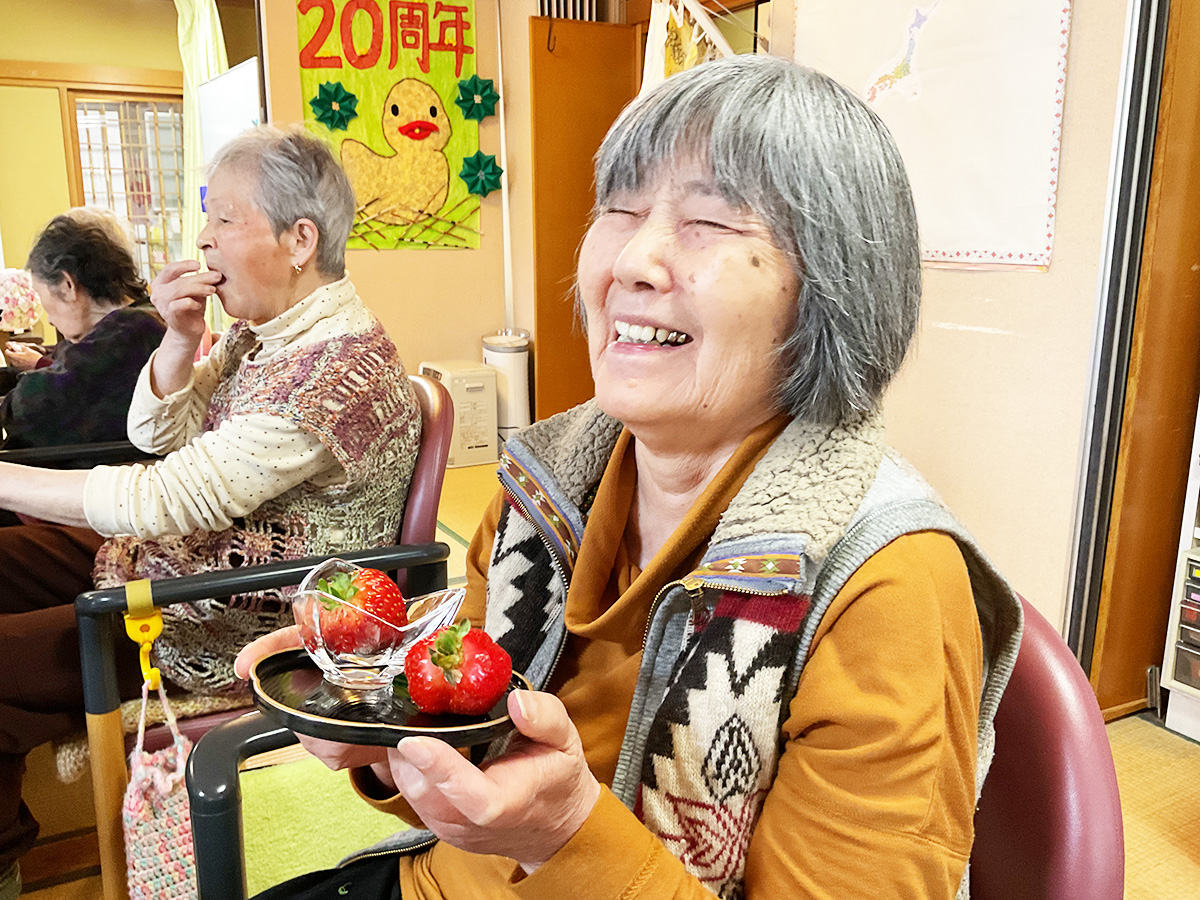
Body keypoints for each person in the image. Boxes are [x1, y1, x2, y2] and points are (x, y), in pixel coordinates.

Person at [237, 56, 1023, 900]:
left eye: (710, 222)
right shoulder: (542, 485)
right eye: (622, 209)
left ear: (833, 291)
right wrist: (383, 730)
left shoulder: (891, 589)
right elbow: (472, 758)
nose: (635, 260)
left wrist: (561, 836)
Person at [0, 125, 422, 899]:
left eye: (224, 218)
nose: (203, 238)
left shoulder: (340, 372)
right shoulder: (258, 338)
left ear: (300, 240)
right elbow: (154, 436)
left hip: (224, 618)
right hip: (163, 565)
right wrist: (180, 337)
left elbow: (163, 498)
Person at [0, 210, 166, 449]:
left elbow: (28, 409)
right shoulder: (137, 318)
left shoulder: (133, 331)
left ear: (67, 285)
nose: (49, 321)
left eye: (42, 296)